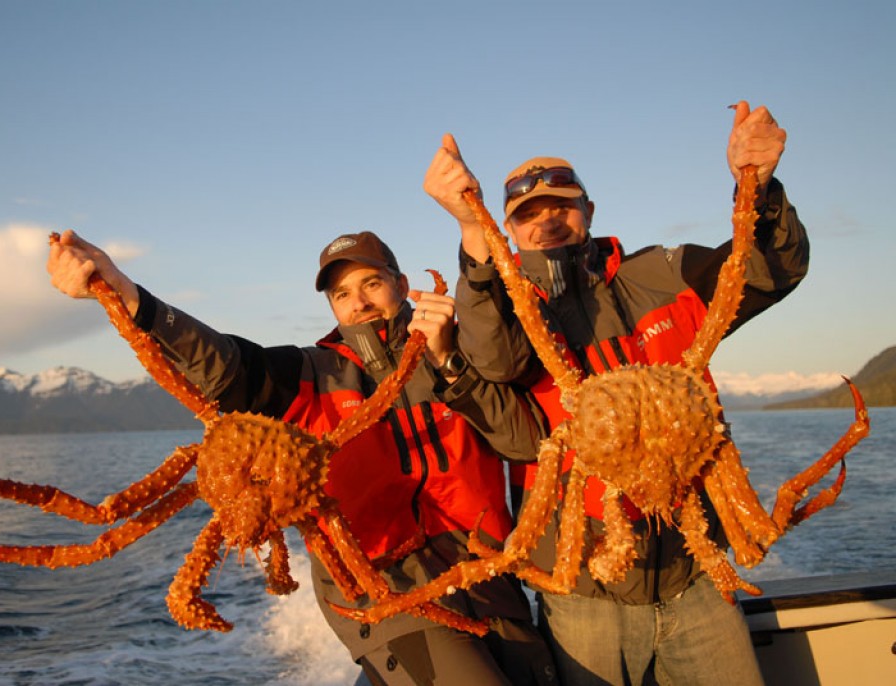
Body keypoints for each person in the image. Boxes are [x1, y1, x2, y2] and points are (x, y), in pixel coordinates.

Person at [48, 229, 558, 685]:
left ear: (402, 285)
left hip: (491, 575)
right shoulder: (308, 375)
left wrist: (449, 355)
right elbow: (221, 361)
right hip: (382, 591)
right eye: (342, 294)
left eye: (371, 284)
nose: (358, 303)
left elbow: (522, 428)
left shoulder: (457, 350)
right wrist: (123, 293)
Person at [422, 101, 807, 685]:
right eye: (528, 213)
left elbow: (762, 271)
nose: (547, 220)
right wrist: (472, 230)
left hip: (698, 570)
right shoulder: (504, 308)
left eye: (563, 206)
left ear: (589, 210)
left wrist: (757, 186)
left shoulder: (660, 273)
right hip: (584, 587)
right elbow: (495, 361)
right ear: (511, 229)